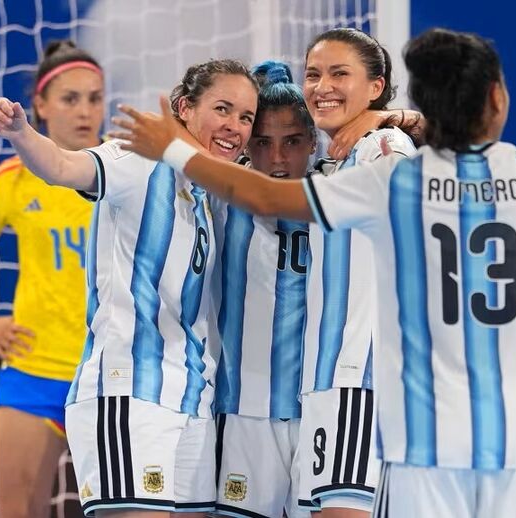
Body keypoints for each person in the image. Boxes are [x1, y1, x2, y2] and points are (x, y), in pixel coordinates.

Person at [109, 26, 516, 518]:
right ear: (498, 101)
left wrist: (173, 145)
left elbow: (267, 197)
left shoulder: (392, 177)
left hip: (425, 427)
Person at [0, 58, 260, 517]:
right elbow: (62, 166)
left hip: (192, 399)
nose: (235, 126)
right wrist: (22, 135)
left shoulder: (215, 189)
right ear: (184, 108)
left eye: (245, 117)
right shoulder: (136, 159)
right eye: (223, 109)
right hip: (130, 393)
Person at [0, 40, 103, 518]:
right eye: (71, 99)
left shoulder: (128, 173)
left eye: (95, 97)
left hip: (109, 377)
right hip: (32, 374)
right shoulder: (11, 179)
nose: (85, 110)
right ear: (41, 106)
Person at [295, 28, 417, 517]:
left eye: (339, 73)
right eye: (314, 74)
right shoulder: (332, 164)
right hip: (332, 380)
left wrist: (401, 124)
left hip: (359, 377)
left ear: (376, 86)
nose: (322, 86)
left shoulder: (383, 144)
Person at [212, 60, 315, 518]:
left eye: (292, 142)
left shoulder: (343, 191)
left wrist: (400, 119)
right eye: (262, 143)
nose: (277, 159)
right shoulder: (218, 195)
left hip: (322, 412)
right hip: (243, 410)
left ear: (313, 142)